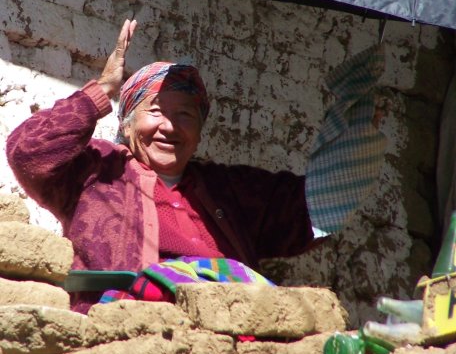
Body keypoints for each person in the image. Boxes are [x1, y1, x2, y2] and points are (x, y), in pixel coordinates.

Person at [6, 20, 316, 311]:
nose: (169, 126)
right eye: (155, 111)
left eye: (185, 115)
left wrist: (360, 127)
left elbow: (318, 202)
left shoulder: (229, 189)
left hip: (226, 323)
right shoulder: (96, 171)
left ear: (198, 134)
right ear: (127, 126)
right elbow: (28, 152)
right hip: (132, 326)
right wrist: (103, 89)